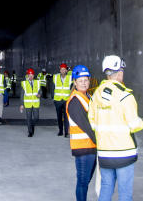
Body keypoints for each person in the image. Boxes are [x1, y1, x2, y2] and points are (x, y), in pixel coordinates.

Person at [89, 55, 143, 201]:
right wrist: (141, 123)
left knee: (106, 187)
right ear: (119, 73)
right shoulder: (126, 96)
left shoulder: (96, 96)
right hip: (124, 152)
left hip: (104, 152)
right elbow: (134, 125)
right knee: (125, 192)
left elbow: (92, 123)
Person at [66, 64, 97, 201]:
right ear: (75, 82)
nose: (84, 83)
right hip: (83, 148)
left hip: (91, 146)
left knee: (85, 181)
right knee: (83, 182)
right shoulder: (75, 101)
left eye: (86, 80)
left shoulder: (87, 96)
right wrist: (101, 142)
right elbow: (86, 125)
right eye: (80, 80)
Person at [52, 63, 73, 137]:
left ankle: (66, 132)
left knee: (66, 117)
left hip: (66, 100)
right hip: (57, 100)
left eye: (64, 69)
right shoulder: (55, 77)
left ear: (66, 70)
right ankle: (60, 131)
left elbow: (72, 88)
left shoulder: (70, 78)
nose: (63, 71)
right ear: (60, 70)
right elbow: (53, 88)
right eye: (61, 69)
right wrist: (53, 98)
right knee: (59, 117)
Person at [19, 68, 41, 137]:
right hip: (28, 104)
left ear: (34, 76)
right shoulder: (24, 83)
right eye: (29, 75)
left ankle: (32, 125)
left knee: (36, 117)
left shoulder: (37, 82)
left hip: (35, 103)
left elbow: (40, 91)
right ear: (27, 76)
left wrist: (39, 94)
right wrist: (21, 104)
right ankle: (30, 132)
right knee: (29, 118)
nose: (31, 77)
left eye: (32, 75)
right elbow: (22, 94)